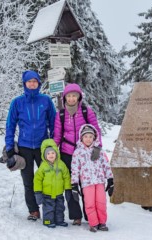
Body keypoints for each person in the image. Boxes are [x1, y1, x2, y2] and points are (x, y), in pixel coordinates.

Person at [5, 70, 56, 221]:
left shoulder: (46, 100)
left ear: (39, 84)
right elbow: (10, 125)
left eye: (35, 81)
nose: (32, 84)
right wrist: (9, 146)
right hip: (24, 147)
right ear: (25, 84)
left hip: (43, 147)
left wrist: (53, 142)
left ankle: (49, 208)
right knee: (28, 180)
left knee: (47, 178)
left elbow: (53, 123)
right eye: (29, 81)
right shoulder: (17, 102)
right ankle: (33, 210)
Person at [53, 83, 102, 225]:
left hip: (85, 153)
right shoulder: (60, 114)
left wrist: (97, 147)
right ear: (65, 98)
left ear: (79, 97)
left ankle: (90, 214)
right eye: (69, 96)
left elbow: (96, 129)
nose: (72, 98)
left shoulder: (87, 111)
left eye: (74, 96)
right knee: (71, 185)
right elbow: (57, 135)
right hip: (67, 153)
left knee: (86, 184)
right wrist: (51, 150)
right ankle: (76, 216)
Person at [71, 124, 114, 232]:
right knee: (89, 203)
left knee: (101, 202)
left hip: (99, 181)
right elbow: (75, 169)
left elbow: (106, 166)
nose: (88, 139)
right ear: (81, 138)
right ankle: (93, 223)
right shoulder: (77, 153)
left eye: (90, 136)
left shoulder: (99, 151)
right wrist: (74, 185)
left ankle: (102, 222)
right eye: (86, 137)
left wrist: (110, 180)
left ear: (94, 137)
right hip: (87, 183)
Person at [34, 139, 71, 228]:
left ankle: (59, 220)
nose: (51, 155)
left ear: (56, 153)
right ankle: (47, 221)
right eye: (48, 153)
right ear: (44, 155)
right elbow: (37, 180)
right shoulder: (43, 166)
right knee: (48, 209)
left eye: (53, 153)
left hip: (59, 193)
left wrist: (68, 189)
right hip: (47, 194)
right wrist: (38, 192)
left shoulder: (61, 164)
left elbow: (66, 177)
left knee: (60, 208)